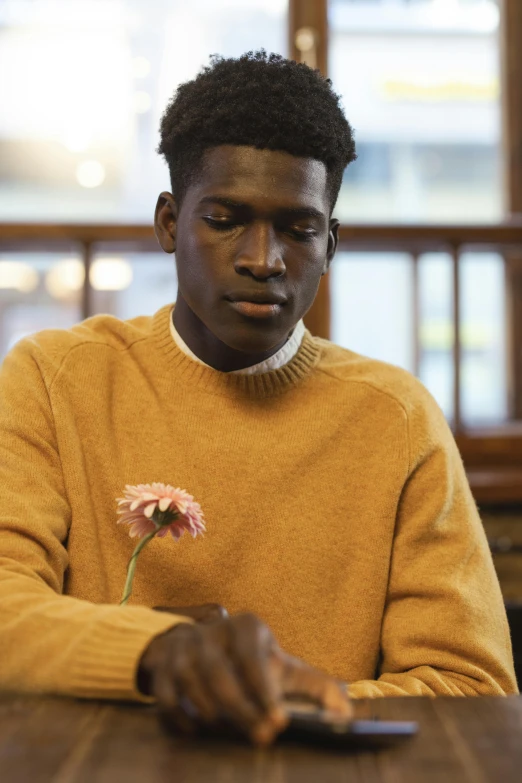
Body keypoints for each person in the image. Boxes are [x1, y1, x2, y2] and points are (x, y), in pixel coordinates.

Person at [0, 51, 517, 747]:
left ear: (330, 244)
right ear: (167, 223)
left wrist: (271, 703)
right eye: (224, 219)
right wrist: (158, 653)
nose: (263, 258)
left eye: (298, 229)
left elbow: (470, 686)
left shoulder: (396, 418)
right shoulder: (54, 378)